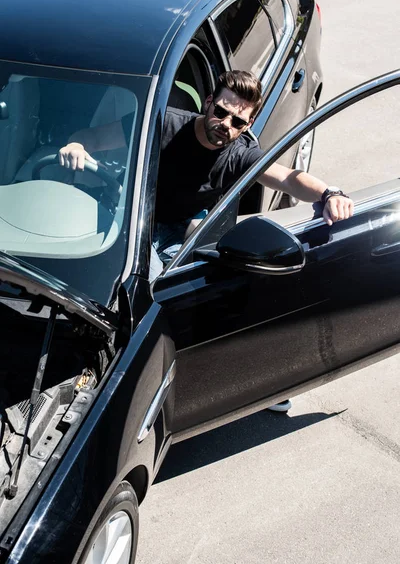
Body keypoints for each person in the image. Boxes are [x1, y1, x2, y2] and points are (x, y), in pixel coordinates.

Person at [59, 70, 354, 412]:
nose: (226, 125)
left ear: (248, 123)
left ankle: (258, 383)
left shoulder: (240, 153)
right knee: (128, 298)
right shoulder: (165, 124)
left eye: (238, 122)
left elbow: (287, 177)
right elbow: (86, 139)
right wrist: (75, 147)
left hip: (185, 230)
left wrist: (330, 192)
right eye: (221, 113)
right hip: (136, 221)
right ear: (208, 103)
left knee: (207, 297)